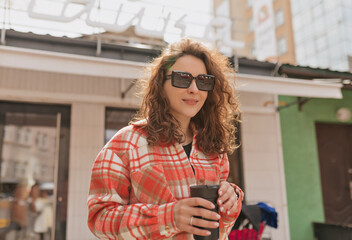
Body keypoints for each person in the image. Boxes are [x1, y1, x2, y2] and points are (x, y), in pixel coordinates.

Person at [87, 38, 244, 239]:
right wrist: (169, 217)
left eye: (203, 80)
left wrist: (231, 200)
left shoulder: (213, 149)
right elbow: (99, 219)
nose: (194, 89)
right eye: (182, 78)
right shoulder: (125, 145)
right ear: (161, 84)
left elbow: (221, 229)